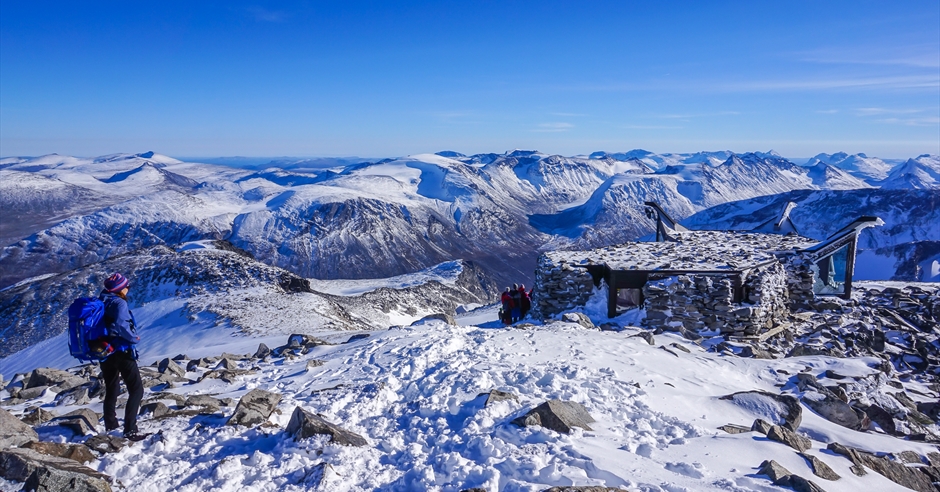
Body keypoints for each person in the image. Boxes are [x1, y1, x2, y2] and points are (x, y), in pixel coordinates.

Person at [98, 273, 147, 441]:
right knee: (136, 390)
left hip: (104, 350)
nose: (128, 289)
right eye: (127, 286)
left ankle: (111, 424)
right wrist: (134, 338)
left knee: (112, 388)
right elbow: (121, 324)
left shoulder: (101, 300)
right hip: (121, 349)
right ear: (120, 288)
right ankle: (130, 429)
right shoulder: (118, 302)